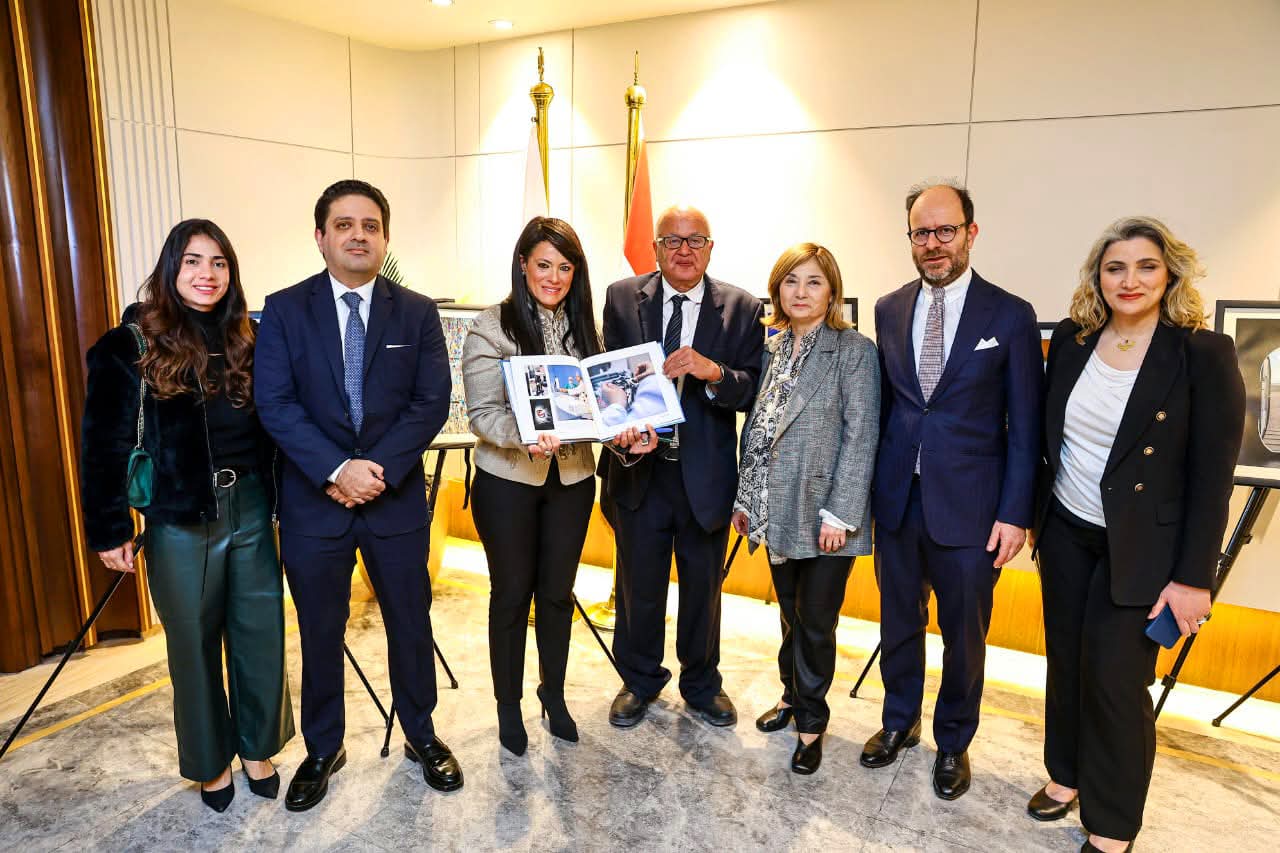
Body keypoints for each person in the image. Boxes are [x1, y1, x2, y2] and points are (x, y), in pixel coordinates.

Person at [1028, 217, 1244, 853]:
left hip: (1146, 550)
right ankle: (1066, 773)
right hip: (1067, 532)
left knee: (1117, 682)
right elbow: (1051, 441)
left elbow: (1212, 477)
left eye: (1146, 266)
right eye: (1115, 267)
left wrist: (1195, 578)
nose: (1130, 280)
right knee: (1067, 661)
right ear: (1098, 276)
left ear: (1169, 273)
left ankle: (1114, 824)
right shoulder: (1073, 341)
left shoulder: (1202, 353)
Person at [254, 179, 461, 810]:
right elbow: (275, 403)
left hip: (393, 499)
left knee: (410, 621)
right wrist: (336, 470)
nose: (357, 236)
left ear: (385, 238)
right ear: (320, 237)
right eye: (343, 225)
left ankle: (421, 734)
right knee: (320, 628)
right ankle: (324, 747)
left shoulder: (417, 312)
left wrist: (376, 470)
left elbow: (430, 402)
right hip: (315, 503)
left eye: (370, 226)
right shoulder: (284, 310)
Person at [80, 219, 293, 812]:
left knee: (260, 633)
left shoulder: (252, 338)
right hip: (178, 518)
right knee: (193, 645)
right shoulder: (131, 345)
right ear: (171, 268)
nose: (207, 274)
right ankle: (209, 762)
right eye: (193, 261)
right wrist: (109, 528)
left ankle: (258, 748)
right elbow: (102, 445)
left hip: (252, 505)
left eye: (219, 262)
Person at [864, 181, 1042, 799]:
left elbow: (1026, 426)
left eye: (946, 230)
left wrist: (1015, 513)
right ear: (910, 238)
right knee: (897, 622)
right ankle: (899, 720)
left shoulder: (1010, 315)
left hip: (973, 509)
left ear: (971, 232)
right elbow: (889, 408)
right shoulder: (888, 308)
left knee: (964, 635)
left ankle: (954, 741)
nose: (933, 243)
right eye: (922, 232)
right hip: (897, 500)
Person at [599, 205, 764, 729]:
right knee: (638, 587)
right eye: (672, 240)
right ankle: (638, 679)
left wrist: (714, 372)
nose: (684, 250)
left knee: (702, 589)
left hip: (705, 477)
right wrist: (622, 424)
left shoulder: (742, 307)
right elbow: (607, 378)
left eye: (695, 240)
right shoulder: (622, 297)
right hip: (639, 470)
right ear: (656, 249)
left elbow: (752, 390)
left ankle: (702, 684)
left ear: (710, 248)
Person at [729, 243, 879, 774]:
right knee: (790, 615)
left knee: (816, 623)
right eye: (791, 281)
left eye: (813, 281)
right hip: (776, 508)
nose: (801, 292)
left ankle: (812, 725)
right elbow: (760, 431)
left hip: (824, 516)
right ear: (777, 290)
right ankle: (792, 696)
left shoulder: (854, 350)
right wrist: (747, 499)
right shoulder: (771, 350)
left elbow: (862, 435)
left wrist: (841, 513)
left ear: (832, 291)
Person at [461, 217, 601, 756]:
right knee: (511, 594)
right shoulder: (490, 326)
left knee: (558, 595)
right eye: (544, 264)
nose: (554, 277)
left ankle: (553, 693)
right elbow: (482, 414)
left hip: (573, 479)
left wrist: (622, 429)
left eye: (565, 267)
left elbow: (597, 407)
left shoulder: (586, 329)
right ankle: (507, 705)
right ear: (523, 264)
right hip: (509, 483)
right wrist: (524, 437)